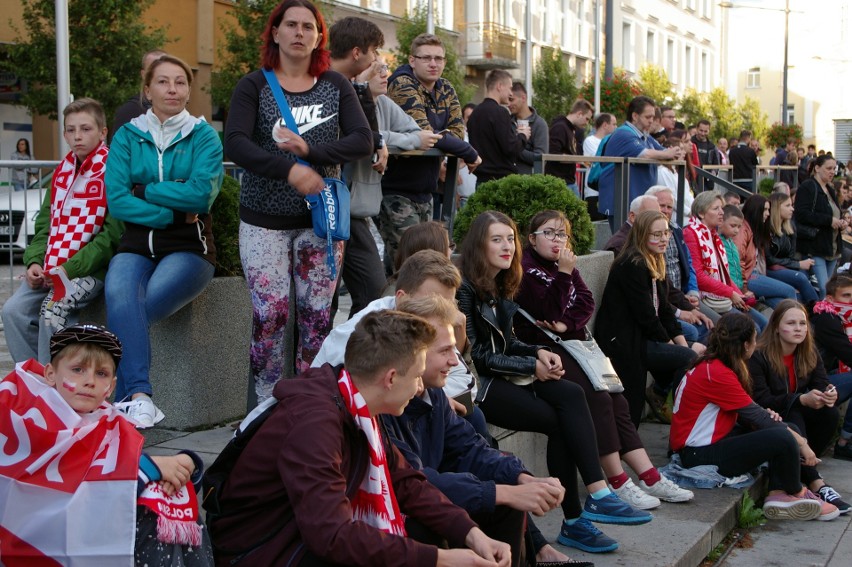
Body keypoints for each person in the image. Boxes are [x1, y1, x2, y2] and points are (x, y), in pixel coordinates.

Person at [209, 310, 512, 567]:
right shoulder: (316, 426)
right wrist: (442, 559)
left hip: (299, 535)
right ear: (391, 378)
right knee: (420, 547)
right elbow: (331, 536)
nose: (421, 386)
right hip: (263, 551)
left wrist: (472, 534)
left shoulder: (354, 400)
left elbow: (406, 481)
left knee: (427, 532)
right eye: (417, 376)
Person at [457, 211, 652, 556]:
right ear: (478, 245)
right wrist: (532, 365)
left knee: (571, 395)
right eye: (496, 239)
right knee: (564, 415)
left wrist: (538, 352)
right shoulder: (466, 288)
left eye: (509, 239)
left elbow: (510, 339)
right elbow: (481, 357)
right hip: (479, 385)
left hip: (506, 370)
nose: (506, 247)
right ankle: (584, 512)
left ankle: (595, 499)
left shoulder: (503, 282)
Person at [224, 0, 373, 401]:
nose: (299, 32)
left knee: (317, 320)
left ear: (319, 37)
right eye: (290, 24)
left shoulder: (335, 85)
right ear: (275, 32)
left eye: (309, 26)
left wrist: (310, 153)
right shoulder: (253, 84)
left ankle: (310, 405)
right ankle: (265, 407)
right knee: (270, 317)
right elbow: (235, 143)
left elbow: (363, 139)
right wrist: (288, 170)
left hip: (321, 225)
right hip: (263, 221)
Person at [385, 294, 587, 567]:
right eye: (444, 351)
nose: (455, 361)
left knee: (506, 499)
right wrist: (501, 492)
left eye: (455, 351)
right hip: (393, 524)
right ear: (413, 353)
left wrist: (521, 478)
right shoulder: (385, 404)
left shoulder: (434, 397)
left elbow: (471, 448)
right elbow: (414, 484)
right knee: (429, 525)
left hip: (424, 506)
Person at [515, 210, 694, 511]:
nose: (557, 240)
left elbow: (586, 302)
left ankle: (650, 476)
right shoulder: (527, 270)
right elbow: (548, 309)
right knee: (597, 398)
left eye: (562, 234)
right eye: (549, 233)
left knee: (617, 398)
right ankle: (618, 481)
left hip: (573, 342)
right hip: (545, 351)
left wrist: (565, 321)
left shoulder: (565, 265)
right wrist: (563, 278)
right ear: (531, 238)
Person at [0, 323, 212, 564]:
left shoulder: (111, 423)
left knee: (167, 499)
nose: (89, 381)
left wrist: (184, 469)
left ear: (111, 386)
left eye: (101, 374)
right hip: (41, 531)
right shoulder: (27, 416)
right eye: (77, 369)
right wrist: (146, 468)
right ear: (50, 374)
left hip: (89, 524)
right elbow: (57, 483)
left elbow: (111, 478)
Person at [105, 54, 224, 426]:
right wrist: (169, 209)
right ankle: (139, 397)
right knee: (119, 294)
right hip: (137, 244)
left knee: (134, 310)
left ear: (189, 90)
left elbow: (200, 197)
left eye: (180, 82)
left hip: (189, 248)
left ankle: (115, 399)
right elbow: (118, 200)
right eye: (163, 82)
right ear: (147, 89)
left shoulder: (204, 135)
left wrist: (145, 190)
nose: (172, 89)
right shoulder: (127, 135)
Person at [671, 312, 837, 522]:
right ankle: (796, 491)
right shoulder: (717, 373)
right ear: (745, 344)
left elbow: (749, 413)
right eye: (754, 340)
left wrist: (772, 420)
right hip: (697, 454)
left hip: (707, 444)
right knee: (783, 436)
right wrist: (802, 443)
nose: (755, 344)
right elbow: (758, 417)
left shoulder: (714, 366)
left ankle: (778, 493)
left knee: (784, 428)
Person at [2, 99, 122, 364]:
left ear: (103, 132)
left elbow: (112, 236)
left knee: (52, 310)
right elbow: (45, 223)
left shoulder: (115, 170)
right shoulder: (61, 172)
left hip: (90, 269)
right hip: (52, 266)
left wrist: (69, 268)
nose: (77, 136)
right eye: (70, 130)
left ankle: (56, 393)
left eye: (86, 128)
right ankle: (34, 383)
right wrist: (34, 261)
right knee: (12, 311)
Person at [341, 51, 440, 316]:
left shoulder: (383, 103)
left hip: (358, 211)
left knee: (372, 291)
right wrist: (383, 141)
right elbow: (359, 136)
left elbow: (416, 133)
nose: (386, 74)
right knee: (330, 298)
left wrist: (385, 140)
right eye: (378, 68)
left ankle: (357, 350)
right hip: (336, 208)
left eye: (386, 67)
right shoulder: (345, 99)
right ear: (359, 72)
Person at [381, 32, 481, 269]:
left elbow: (456, 130)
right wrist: (467, 151)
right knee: (412, 264)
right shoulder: (402, 83)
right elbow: (421, 132)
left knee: (404, 263)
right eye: (426, 58)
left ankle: (388, 303)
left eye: (439, 58)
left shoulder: (445, 87)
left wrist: (447, 140)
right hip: (395, 190)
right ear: (412, 60)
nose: (434, 63)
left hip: (426, 191)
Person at [596, 210, 702, 426]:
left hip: (643, 337)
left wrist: (681, 344)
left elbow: (664, 311)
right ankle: (678, 416)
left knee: (693, 353)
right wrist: (675, 347)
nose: (663, 239)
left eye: (666, 233)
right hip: (624, 341)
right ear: (642, 235)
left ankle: (677, 410)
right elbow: (646, 316)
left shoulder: (655, 259)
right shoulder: (632, 264)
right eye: (656, 234)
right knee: (687, 358)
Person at [748, 300, 851, 514]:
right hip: (768, 418)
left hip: (794, 418)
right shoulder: (759, 355)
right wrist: (801, 399)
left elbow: (820, 384)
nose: (798, 328)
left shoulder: (809, 352)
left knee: (829, 412)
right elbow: (760, 399)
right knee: (795, 411)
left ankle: (802, 471)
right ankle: (815, 482)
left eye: (802, 323)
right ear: (776, 327)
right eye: (791, 323)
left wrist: (829, 394)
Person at [682, 190, 768, 331]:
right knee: (751, 329)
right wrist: (730, 293)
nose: (722, 212)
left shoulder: (714, 235)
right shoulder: (691, 233)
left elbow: (725, 276)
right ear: (702, 213)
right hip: (704, 297)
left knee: (763, 324)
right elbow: (699, 276)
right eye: (716, 208)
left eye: (721, 208)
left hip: (720, 296)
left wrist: (739, 295)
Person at [598, 96, 683, 231]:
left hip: (637, 201)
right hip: (623, 202)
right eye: (648, 117)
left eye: (653, 117)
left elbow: (665, 152)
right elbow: (646, 153)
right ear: (635, 116)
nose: (652, 121)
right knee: (626, 245)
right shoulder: (623, 133)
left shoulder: (645, 136)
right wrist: (667, 154)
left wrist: (673, 152)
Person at [810, 273, 852, 461]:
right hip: (813, 383)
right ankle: (844, 442)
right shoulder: (827, 318)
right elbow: (848, 354)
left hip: (827, 374)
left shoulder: (841, 317)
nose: (851, 300)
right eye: (846, 296)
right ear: (829, 298)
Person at [795, 154, 847, 299]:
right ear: (817, 168)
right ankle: (820, 316)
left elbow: (835, 212)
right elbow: (801, 214)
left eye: (834, 169)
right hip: (815, 246)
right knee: (824, 289)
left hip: (832, 246)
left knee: (829, 289)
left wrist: (841, 222)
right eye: (828, 168)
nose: (832, 172)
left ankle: (825, 315)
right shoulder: (808, 186)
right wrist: (829, 220)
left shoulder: (829, 189)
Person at [467, 69, 530, 185]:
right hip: (500, 182)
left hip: (481, 181)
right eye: (510, 88)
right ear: (500, 86)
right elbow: (511, 149)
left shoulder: (475, 113)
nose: (511, 94)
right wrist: (523, 136)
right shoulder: (500, 112)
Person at [734, 194, 797, 308]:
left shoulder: (756, 229)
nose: (768, 214)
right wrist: (743, 288)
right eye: (765, 210)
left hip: (756, 274)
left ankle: (788, 322)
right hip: (748, 278)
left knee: (781, 303)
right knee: (790, 291)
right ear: (756, 211)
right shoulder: (743, 230)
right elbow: (738, 261)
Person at [766, 192, 819, 304]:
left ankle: (810, 313)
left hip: (785, 267)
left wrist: (797, 265)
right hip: (769, 270)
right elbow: (769, 259)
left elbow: (791, 255)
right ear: (776, 208)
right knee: (800, 278)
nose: (792, 209)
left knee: (803, 283)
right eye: (787, 205)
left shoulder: (790, 227)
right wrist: (798, 264)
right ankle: (819, 310)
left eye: (792, 205)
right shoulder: (766, 228)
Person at [111, 49, 166, 140]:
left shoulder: (176, 110)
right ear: (143, 74)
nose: (160, 75)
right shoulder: (130, 111)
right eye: (153, 70)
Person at [546, 99, 594, 195]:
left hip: (569, 181)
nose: (587, 123)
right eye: (587, 119)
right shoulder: (560, 127)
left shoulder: (572, 129)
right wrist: (577, 160)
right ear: (579, 114)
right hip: (559, 182)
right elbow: (553, 155)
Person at [508, 81, 548, 175]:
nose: (508, 104)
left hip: (528, 183)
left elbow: (540, 158)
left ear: (523, 98)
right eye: (507, 100)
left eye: (511, 99)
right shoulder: (506, 121)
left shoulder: (539, 124)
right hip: (505, 181)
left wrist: (514, 147)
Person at [719, 205, 746, 290]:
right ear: (721, 221)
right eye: (733, 226)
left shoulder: (733, 244)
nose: (736, 230)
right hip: (726, 289)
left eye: (739, 227)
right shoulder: (718, 242)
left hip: (738, 288)